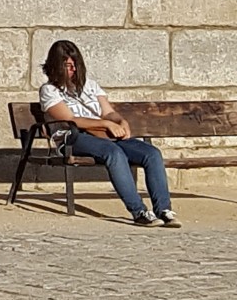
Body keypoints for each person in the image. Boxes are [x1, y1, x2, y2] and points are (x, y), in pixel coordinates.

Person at [39, 39, 180, 228]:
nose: (72, 70)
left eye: (75, 65)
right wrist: (105, 123)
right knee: (113, 153)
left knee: (151, 153)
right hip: (74, 138)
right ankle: (139, 211)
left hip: (105, 135)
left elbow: (108, 111)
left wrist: (120, 121)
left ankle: (163, 210)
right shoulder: (49, 90)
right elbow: (70, 119)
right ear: (56, 66)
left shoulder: (90, 85)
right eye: (67, 66)